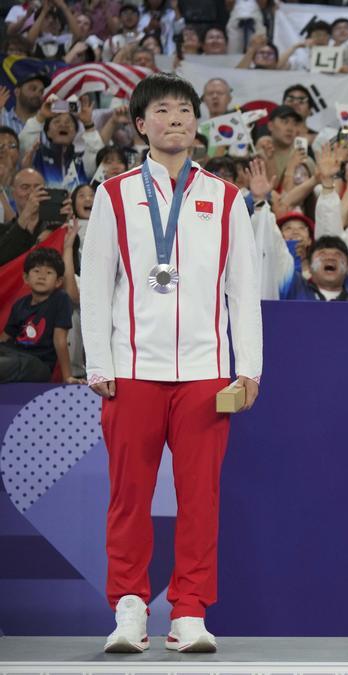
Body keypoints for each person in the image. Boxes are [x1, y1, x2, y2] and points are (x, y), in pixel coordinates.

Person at [80, 72, 262, 655]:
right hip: (132, 368)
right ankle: (130, 608)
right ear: (141, 124)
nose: (177, 118)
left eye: (185, 110)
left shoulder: (226, 197)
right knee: (128, 496)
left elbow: (244, 290)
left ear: (196, 123)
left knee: (200, 497)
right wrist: (99, 362)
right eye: (163, 110)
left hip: (206, 372)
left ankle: (189, 611)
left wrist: (249, 367)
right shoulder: (113, 195)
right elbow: (95, 287)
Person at [0, 248, 75, 382]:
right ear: (26, 278)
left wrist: (67, 377)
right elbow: (5, 338)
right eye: (36, 271)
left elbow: (60, 341)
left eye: (48, 272)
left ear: (58, 281)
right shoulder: (20, 304)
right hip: (13, 354)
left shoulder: (61, 299)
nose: (42, 276)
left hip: (37, 364)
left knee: (14, 365)